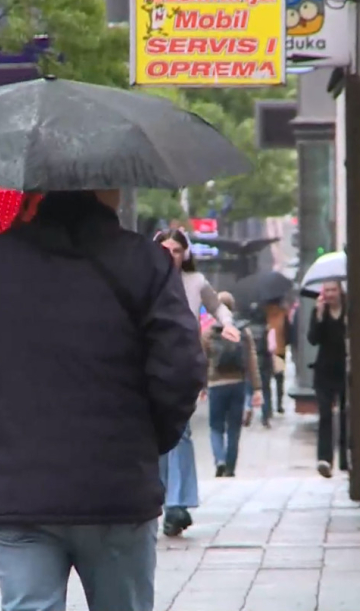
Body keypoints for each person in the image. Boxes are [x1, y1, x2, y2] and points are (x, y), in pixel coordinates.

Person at [0, 190, 206, 611]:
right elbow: (182, 367)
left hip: (19, 489)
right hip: (117, 487)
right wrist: (149, 438)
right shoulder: (144, 261)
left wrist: (5, 400)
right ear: (107, 191)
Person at [154, 229, 240, 537]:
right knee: (156, 435)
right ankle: (162, 499)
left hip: (183, 361)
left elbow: (217, 306)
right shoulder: (145, 281)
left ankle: (179, 502)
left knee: (182, 430)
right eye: (165, 249)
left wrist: (227, 324)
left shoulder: (195, 282)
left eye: (177, 250)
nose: (171, 255)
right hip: (151, 361)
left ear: (186, 253)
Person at [204, 292, 262, 478]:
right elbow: (251, 360)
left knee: (215, 426)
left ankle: (219, 460)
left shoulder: (209, 333)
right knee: (234, 428)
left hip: (216, 385)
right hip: (237, 384)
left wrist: (201, 386)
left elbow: (201, 361)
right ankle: (230, 468)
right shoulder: (243, 331)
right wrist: (257, 388)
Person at [308, 280, 348, 478]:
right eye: (327, 291)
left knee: (345, 414)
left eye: (334, 290)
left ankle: (345, 460)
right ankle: (324, 459)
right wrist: (318, 315)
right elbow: (313, 339)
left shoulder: (349, 311)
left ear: (340, 291)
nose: (330, 294)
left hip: (345, 370)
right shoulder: (319, 313)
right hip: (324, 371)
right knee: (325, 414)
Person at [266, 299, 291, 413]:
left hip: (266, 351)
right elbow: (288, 331)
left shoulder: (264, 312)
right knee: (279, 379)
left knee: (266, 380)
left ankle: (268, 408)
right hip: (280, 351)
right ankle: (279, 405)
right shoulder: (283, 313)